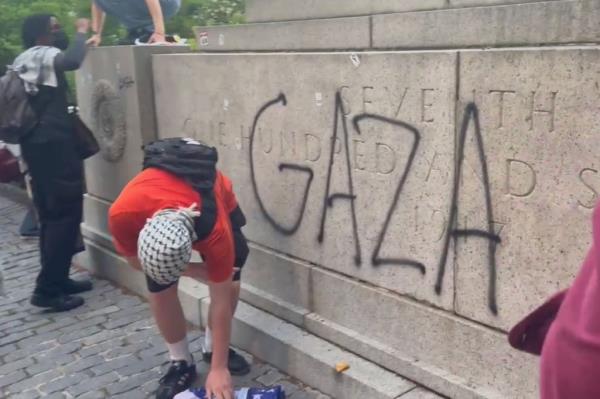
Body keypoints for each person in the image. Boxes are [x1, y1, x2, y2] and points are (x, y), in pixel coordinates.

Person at [108, 138, 251, 399]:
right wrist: (192, 270)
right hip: (156, 213)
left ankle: (213, 348)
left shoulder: (214, 230)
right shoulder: (122, 214)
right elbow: (132, 259)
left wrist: (218, 369)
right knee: (159, 285)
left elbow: (220, 299)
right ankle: (180, 362)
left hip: (210, 200)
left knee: (234, 266)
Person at [14, 15, 93, 312]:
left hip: (39, 147)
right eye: (55, 28)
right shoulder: (41, 54)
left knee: (51, 216)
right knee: (63, 215)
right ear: (41, 33)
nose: (59, 32)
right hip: (53, 148)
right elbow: (72, 60)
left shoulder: (24, 59)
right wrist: (82, 33)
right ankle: (47, 290)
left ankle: (58, 279)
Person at [87, 0, 181, 46]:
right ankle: (138, 31)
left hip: (166, 3)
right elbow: (97, 4)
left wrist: (159, 33)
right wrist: (96, 34)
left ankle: (154, 32)